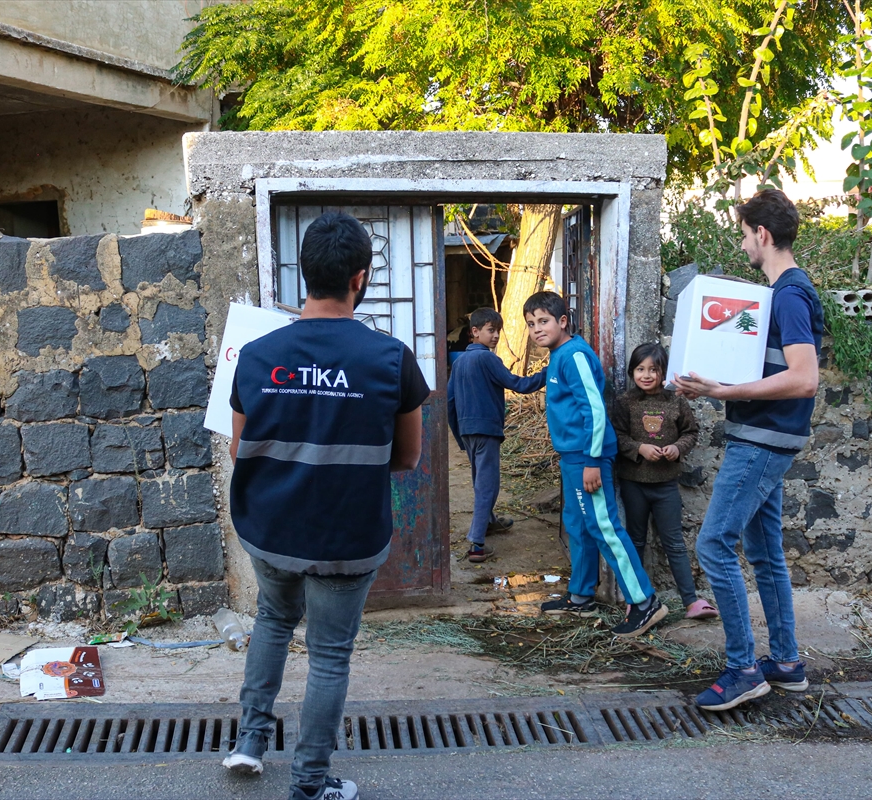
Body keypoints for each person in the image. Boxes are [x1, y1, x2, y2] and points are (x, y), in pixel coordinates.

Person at [224, 211, 430, 800]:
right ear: (360, 278)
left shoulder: (258, 354)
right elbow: (408, 458)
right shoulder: (390, 361)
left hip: (271, 529)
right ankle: (310, 783)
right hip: (347, 536)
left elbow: (243, 447)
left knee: (272, 619)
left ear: (304, 275)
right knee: (329, 656)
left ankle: (249, 743)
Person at [675, 189, 823, 712]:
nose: (742, 244)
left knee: (713, 545)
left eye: (743, 234)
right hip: (765, 436)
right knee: (763, 554)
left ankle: (743, 669)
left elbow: (804, 379)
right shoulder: (781, 294)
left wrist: (722, 393)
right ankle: (784, 662)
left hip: (761, 441)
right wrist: (713, 380)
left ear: (762, 234)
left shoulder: (788, 294)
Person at [524, 290, 667, 636]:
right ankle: (581, 596)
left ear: (562, 322)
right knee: (578, 524)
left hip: (588, 458)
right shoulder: (559, 355)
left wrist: (591, 460)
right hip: (572, 457)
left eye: (543, 321)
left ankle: (646, 602)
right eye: (530, 324)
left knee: (604, 527)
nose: (537, 329)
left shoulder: (573, 355)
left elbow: (595, 409)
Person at [612, 342, 717, 620]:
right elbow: (618, 436)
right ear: (632, 371)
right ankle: (638, 599)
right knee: (635, 541)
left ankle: (691, 601)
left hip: (666, 485)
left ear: (663, 372)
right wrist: (639, 449)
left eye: (653, 370)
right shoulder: (625, 402)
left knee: (674, 542)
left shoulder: (676, 401)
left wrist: (677, 448)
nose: (646, 375)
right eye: (640, 369)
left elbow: (691, 432)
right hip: (634, 483)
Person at [447, 307, 547, 563]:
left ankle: (489, 522)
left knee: (480, 481)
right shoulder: (488, 359)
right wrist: (548, 372)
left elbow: (449, 402)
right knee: (488, 486)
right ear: (475, 332)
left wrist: (459, 436)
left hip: (467, 431)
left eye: (497, 331)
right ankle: (477, 545)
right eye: (490, 330)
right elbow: (518, 385)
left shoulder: (458, 363)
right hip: (487, 431)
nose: (495, 336)